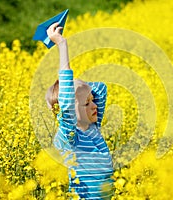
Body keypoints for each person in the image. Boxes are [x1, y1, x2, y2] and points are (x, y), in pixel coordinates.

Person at [45, 22, 114, 199]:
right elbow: (67, 103)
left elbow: (101, 88)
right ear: (66, 110)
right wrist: (62, 45)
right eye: (87, 103)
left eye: (93, 101)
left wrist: (83, 90)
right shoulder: (69, 137)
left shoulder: (93, 127)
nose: (95, 105)